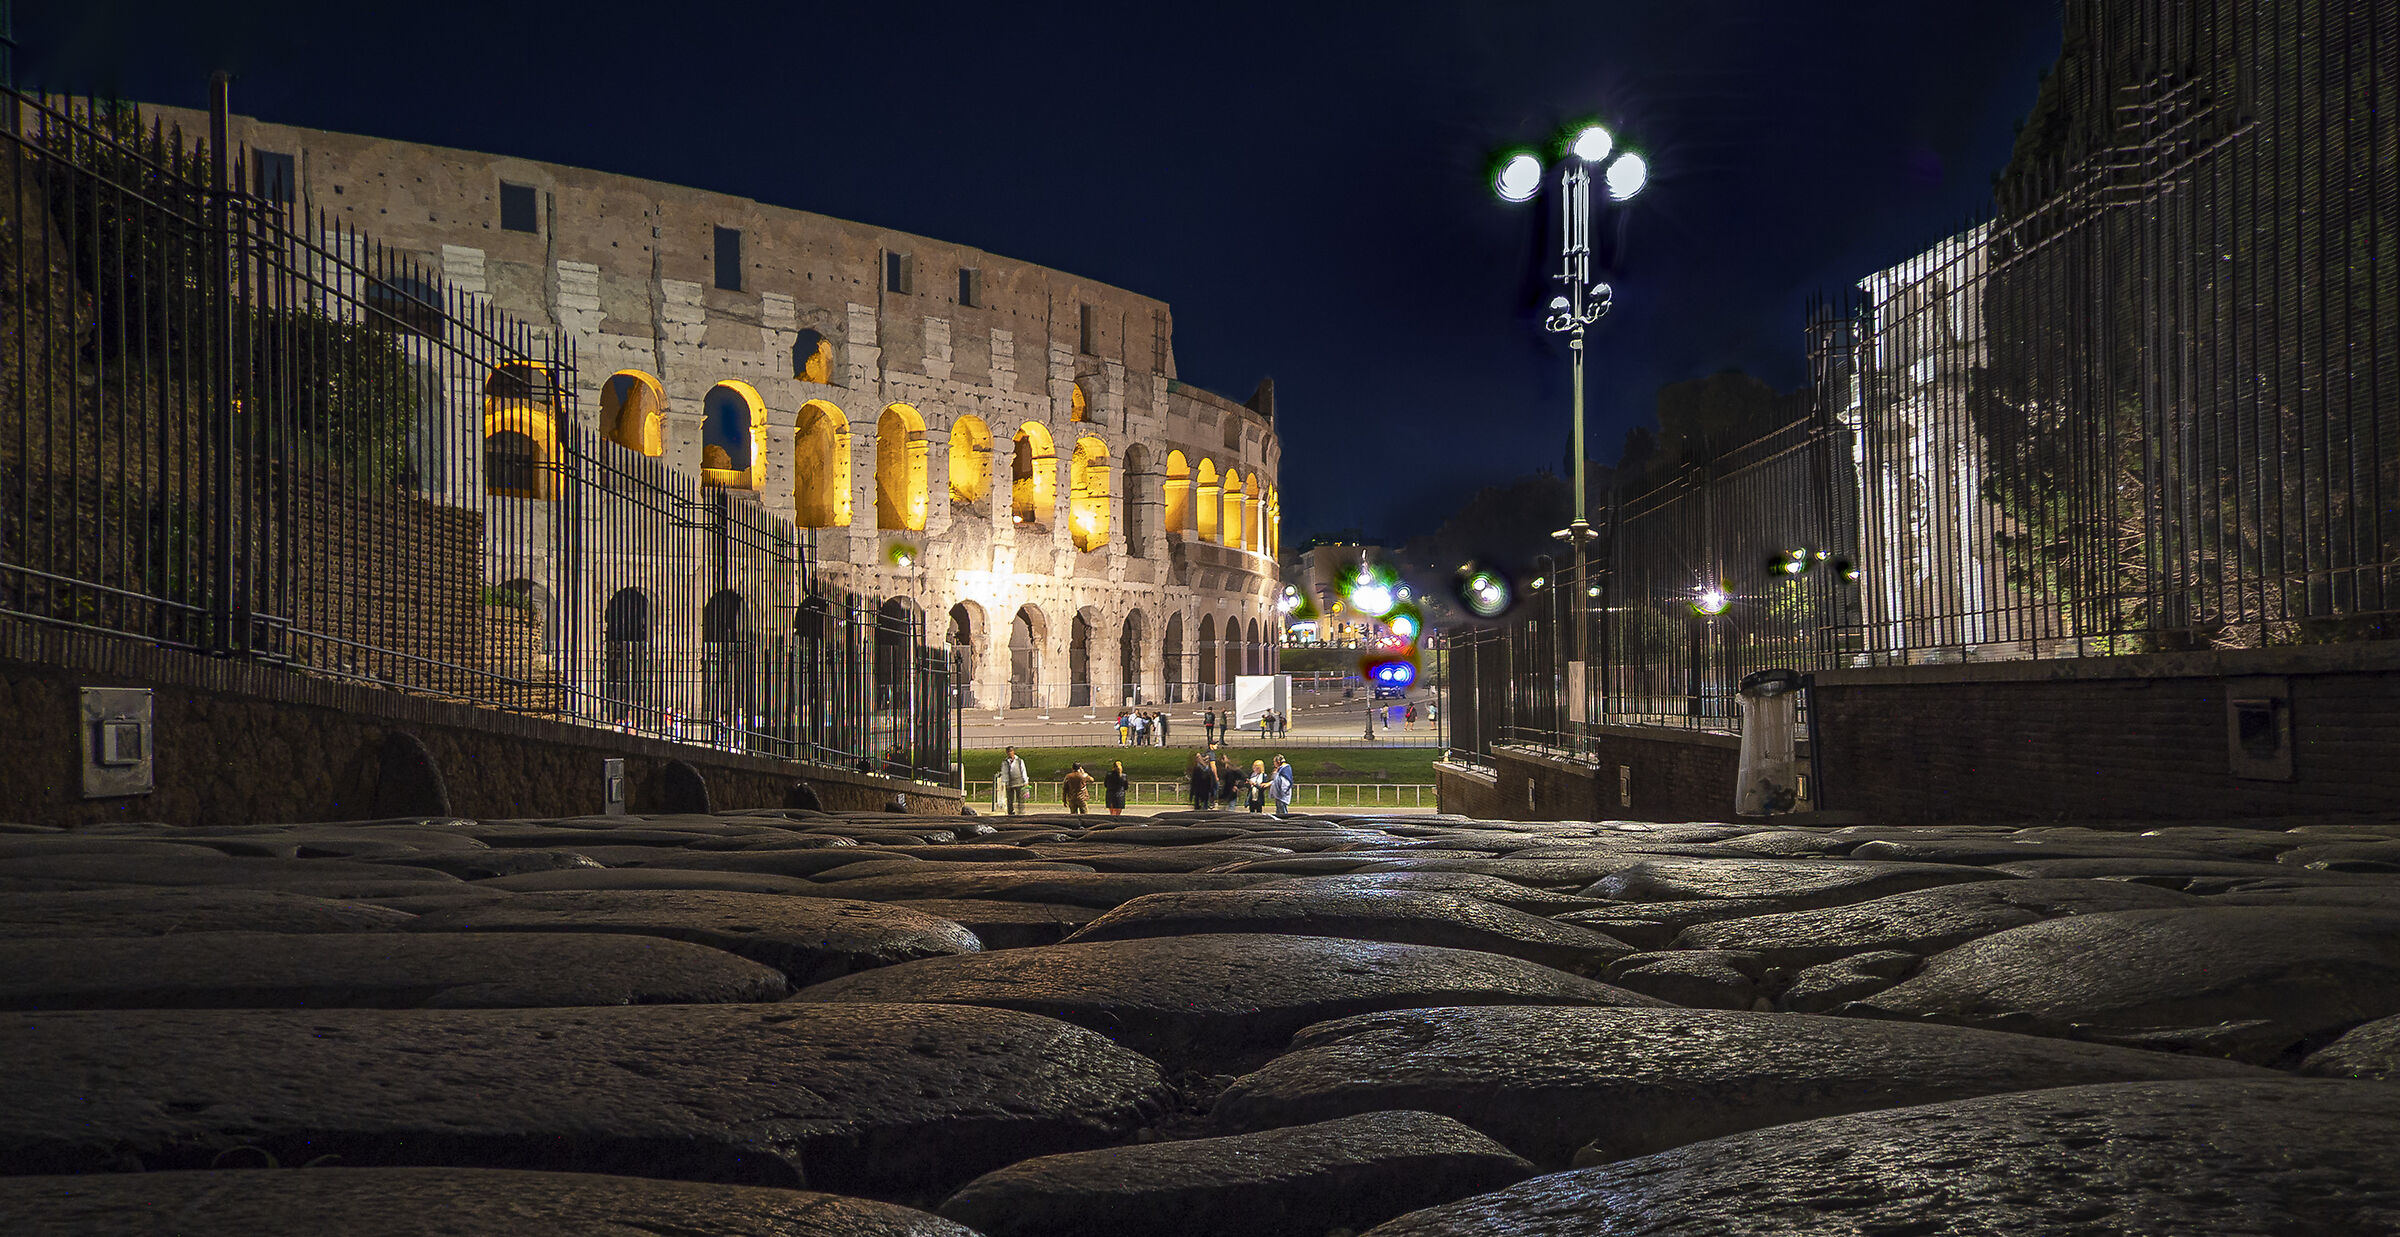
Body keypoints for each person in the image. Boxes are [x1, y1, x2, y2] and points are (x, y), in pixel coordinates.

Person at [999, 747, 1031, 816]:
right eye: (1008, 752)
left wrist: (1026, 781)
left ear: (1013, 752)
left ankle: (1021, 813)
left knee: (1020, 799)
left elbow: (1023, 771)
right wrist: (1003, 782)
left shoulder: (1019, 761)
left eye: (1011, 751)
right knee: (1010, 800)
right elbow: (1004, 773)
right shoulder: (1005, 762)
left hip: (1019, 782)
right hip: (1009, 783)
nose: (1009, 753)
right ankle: (1010, 813)